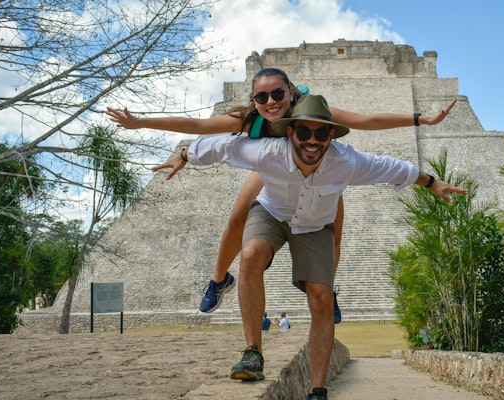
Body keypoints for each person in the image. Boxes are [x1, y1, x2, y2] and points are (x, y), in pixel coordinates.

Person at [152, 94, 467, 400]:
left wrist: (432, 182)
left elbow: (393, 167)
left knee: (322, 298)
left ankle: (318, 390)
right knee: (249, 254)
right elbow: (217, 145)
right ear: (289, 132)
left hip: (315, 225)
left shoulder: (347, 161)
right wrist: (181, 156)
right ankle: (252, 353)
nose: (312, 141)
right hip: (272, 212)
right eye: (303, 132)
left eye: (320, 133)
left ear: (331, 135)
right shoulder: (267, 151)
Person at [106, 67, 457, 315]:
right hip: (271, 167)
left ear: (291, 93)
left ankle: (327, 290)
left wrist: (418, 119)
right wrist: (144, 125)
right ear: (254, 98)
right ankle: (218, 279)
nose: (271, 102)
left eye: (278, 94)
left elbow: (365, 121)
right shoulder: (250, 119)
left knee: (332, 231)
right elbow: (198, 126)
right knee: (237, 219)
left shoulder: (313, 113)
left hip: (319, 172)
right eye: (262, 96)